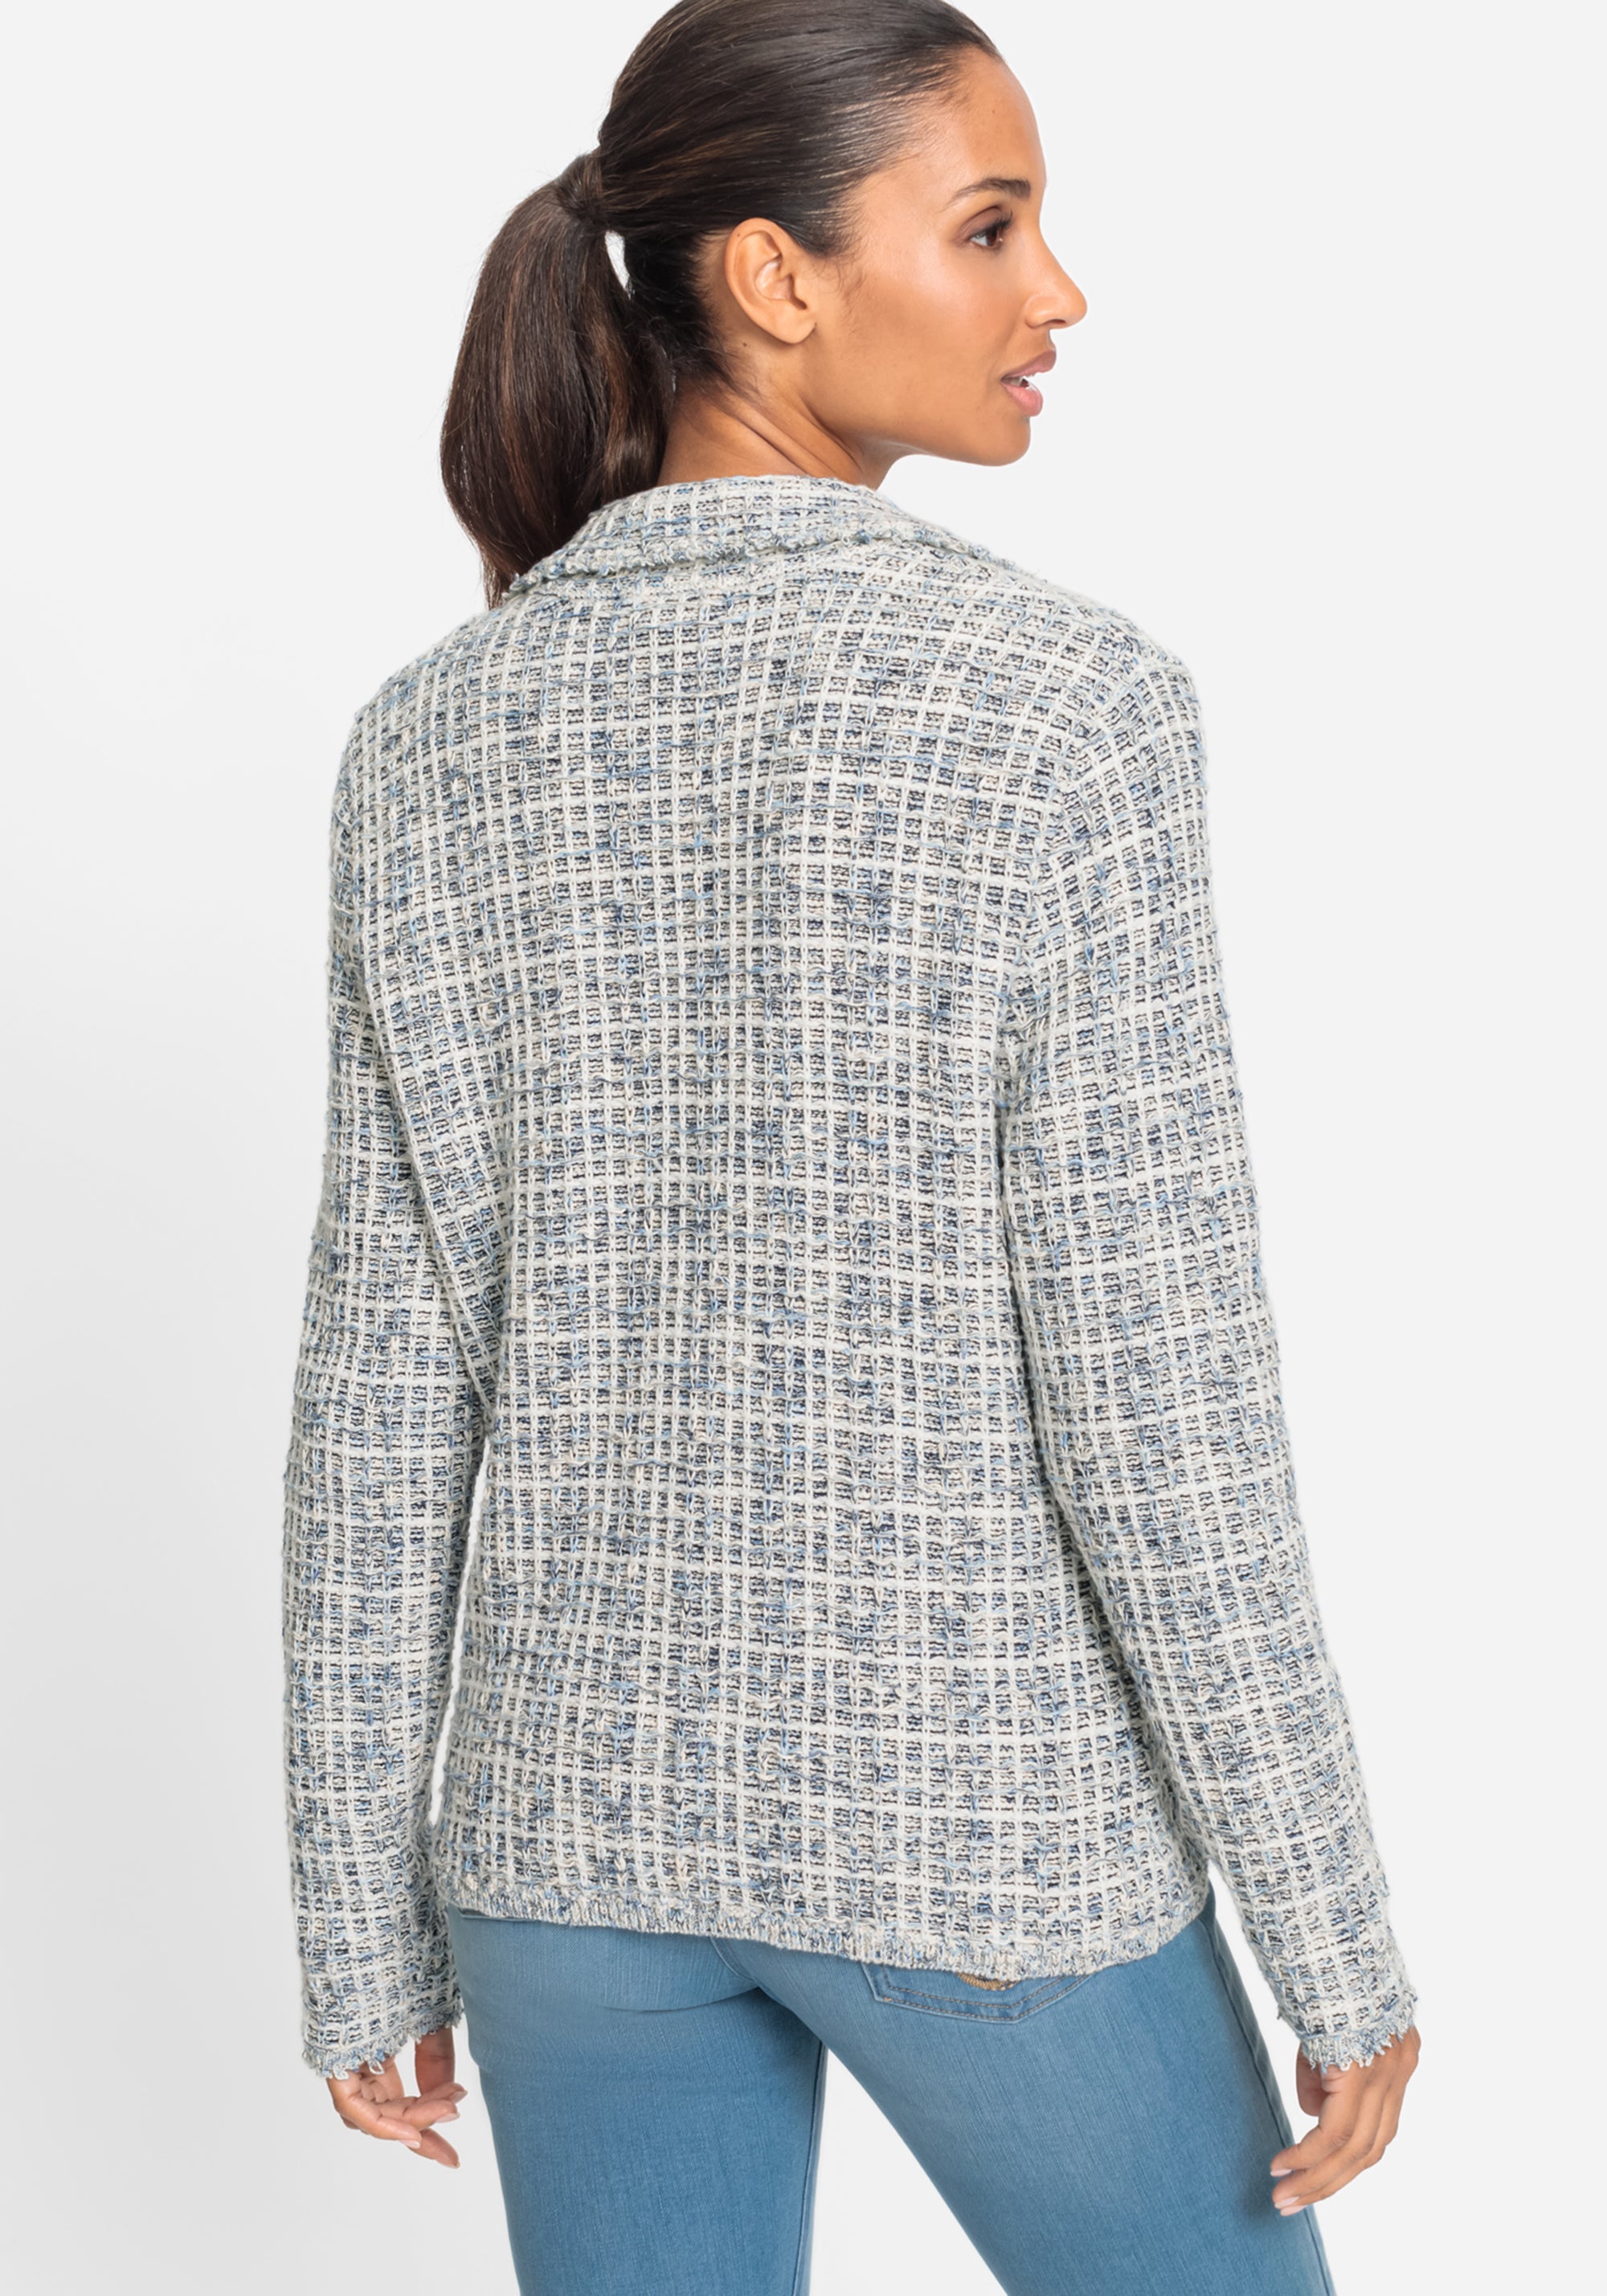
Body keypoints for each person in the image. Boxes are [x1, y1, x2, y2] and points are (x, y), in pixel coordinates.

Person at [280, 3, 1421, 2289]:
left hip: (565, 1847)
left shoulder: (431, 740)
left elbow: (383, 1396)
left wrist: (353, 1916)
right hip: (977, 1829)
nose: (1058, 291)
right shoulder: (1062, 711)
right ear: (774, 275)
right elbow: (1160, 1390)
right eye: (990, 227)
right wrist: (1334, 1926)